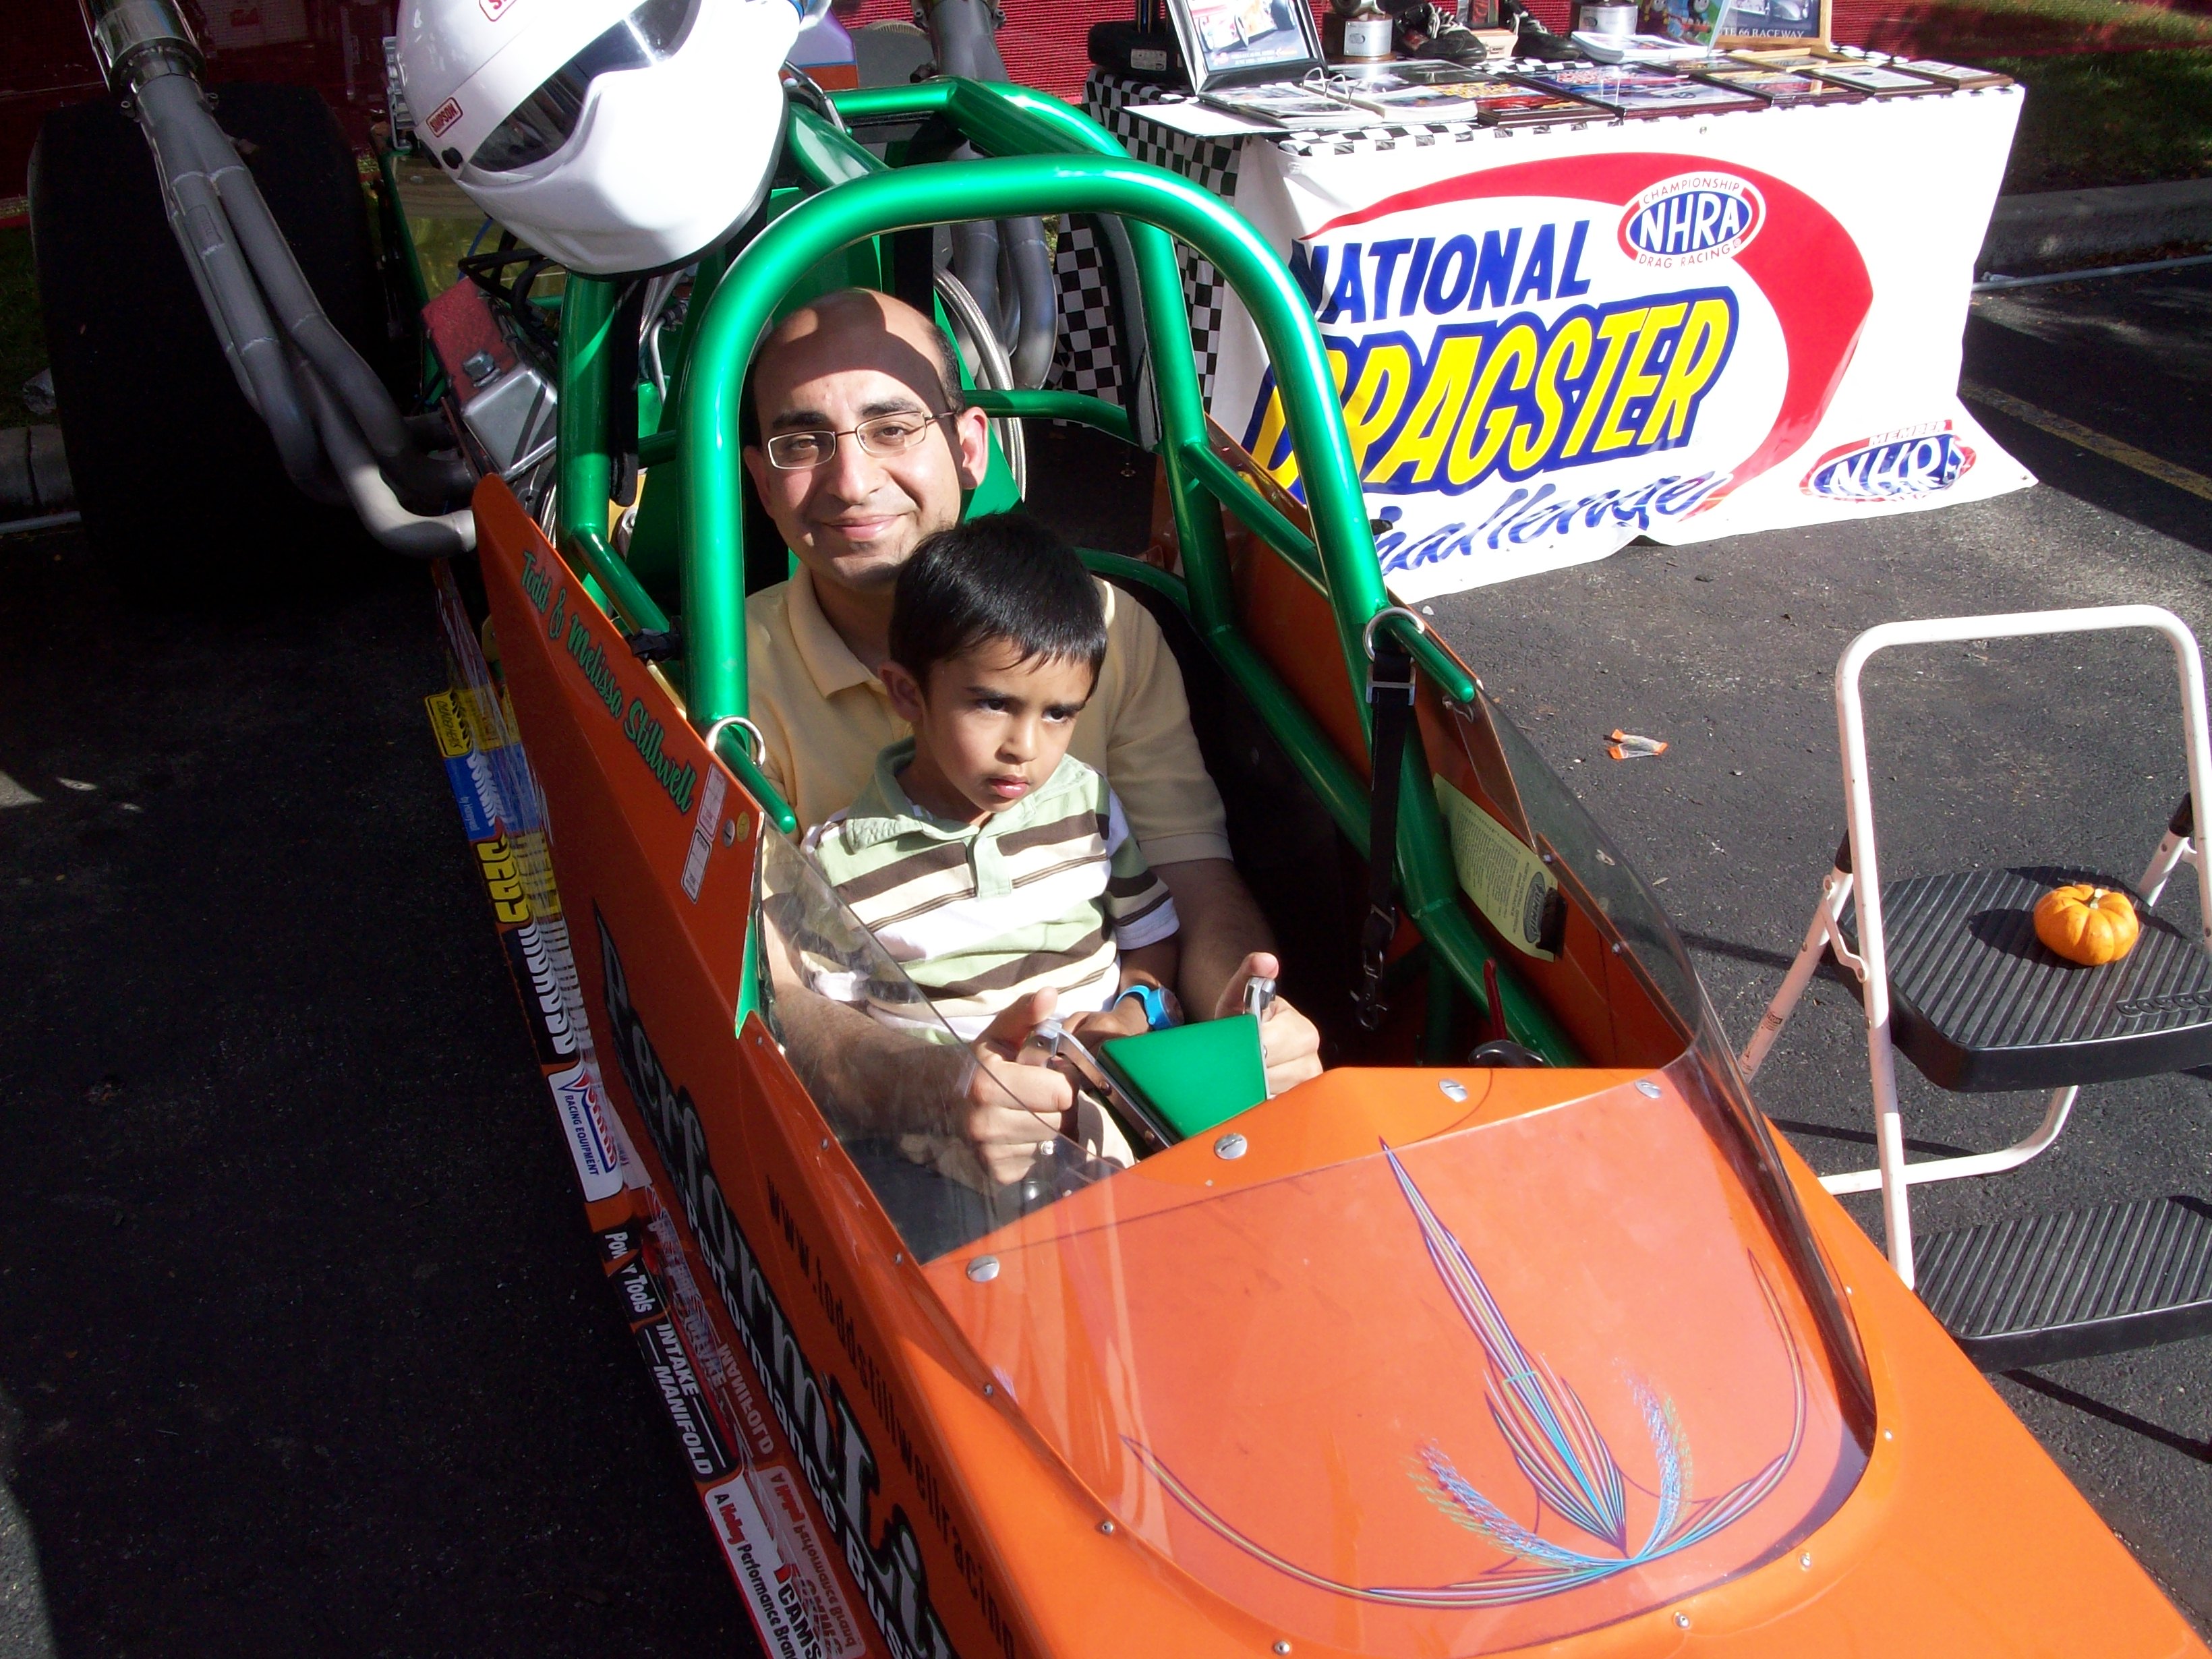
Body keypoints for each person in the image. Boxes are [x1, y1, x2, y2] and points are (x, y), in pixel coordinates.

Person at [739, 287, 1321, 1186]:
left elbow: (1191, 880)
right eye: (802, 441)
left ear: (969, 445)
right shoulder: (730, 685)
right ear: (758, 477)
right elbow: (776, 993)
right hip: (898, 1156)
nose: (851, 482)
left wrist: (1245, 1017)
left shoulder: (1106, 631)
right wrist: (937, 1091)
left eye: (892, 428)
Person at [801, 518, 1180, 1194]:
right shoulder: (840, 865)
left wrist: (1132, 1012)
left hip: (1115, 1129)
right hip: (947, 1171)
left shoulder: (1088, 804)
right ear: (907, 693)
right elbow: (834, 1044)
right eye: (993, 704)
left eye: (1059, 714)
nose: (1025, 748)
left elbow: (1149, 935)